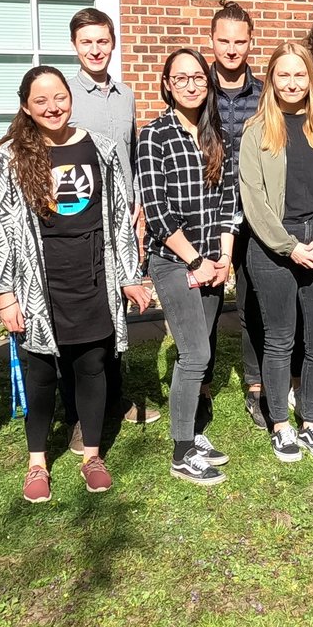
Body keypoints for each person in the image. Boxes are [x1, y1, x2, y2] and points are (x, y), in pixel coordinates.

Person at [0, 67, 150, 502]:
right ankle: (37, 462)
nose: (52, 107)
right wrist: (4, 294)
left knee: (92, 368)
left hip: (93, 280)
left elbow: (119, 216)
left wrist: (130, 276)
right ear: (26, 106)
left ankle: (92, 455)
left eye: (59, 97)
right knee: (40, 375)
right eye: (40, 101)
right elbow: (0, 227)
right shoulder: (10, 156)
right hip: (38, 286)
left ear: (70, 98)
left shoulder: (101, 147)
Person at [239, 42, 313, 461]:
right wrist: (290, 248)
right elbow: (253, 200)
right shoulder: (257, 132)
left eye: (299, 74)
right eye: (283, 75)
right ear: (271, 79)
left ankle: (311, 419)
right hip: (274, 248)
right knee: (280, 340)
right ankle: (281, 426)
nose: (292, 82)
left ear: (310, 79)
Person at [138, 48, 241, 485]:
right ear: (167, 85)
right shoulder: (153, 136)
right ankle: (182, 452)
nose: (191, 84)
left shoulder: (216, 133)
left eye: (198, 76)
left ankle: (192, 430)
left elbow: (228, 201)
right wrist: (196, 261)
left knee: (203, 352)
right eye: (180, 78)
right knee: (195, 352)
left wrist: (224, 258)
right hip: (174, 262)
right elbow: (157, 214)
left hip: (212, 261)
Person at [65, 6, 156, 430]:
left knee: (116, 311)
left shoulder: (127, 94)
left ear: (113, 43)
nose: (96, 49)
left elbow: (131, 153)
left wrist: (138, 205)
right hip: (79, 219)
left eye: (103, 41)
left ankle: (114, 400)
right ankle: (81, 412)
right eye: (87, 42)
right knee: (83, 314)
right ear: (75, 46)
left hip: (122, 216)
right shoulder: (63, 94)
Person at [208, 1, 268, 426]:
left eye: (239, 42)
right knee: (206, 302)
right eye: (224, 41)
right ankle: (201, 383)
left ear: (251, 44)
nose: (231, 49)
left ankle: (255, 382)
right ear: (211, 41)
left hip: (255, 211)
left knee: (254, 299)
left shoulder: (265, 95)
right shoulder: (195, 86)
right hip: (206, 212)